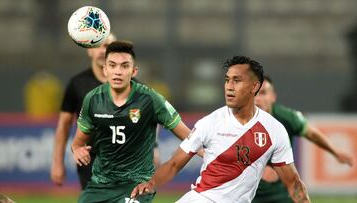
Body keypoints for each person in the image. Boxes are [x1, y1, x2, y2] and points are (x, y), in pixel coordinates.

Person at [131, 55, 310, 203]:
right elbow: (174, 164)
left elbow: (293, 183)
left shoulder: (274, 130)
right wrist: (151, 184)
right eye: (227, 80)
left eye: (237, 81)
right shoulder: (209, 123)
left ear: (254, 87)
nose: (229, 87)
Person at [71, 40, 191, 203]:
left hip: (137, 185)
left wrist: (212, 154)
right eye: (112, 65)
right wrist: (77, 150)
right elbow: (77, 143)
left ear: (134, 71)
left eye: (124, 66)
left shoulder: (150, 99)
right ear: (105, 70)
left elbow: (190, 137)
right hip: (100, 186)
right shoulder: (92, 99)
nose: (118, 71)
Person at [252, 75, 354, 203]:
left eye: (263, 93)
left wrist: (335, 151)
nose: (257, 99)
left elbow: (312, 134)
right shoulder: (236, 122)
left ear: (273, 96)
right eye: (254, 94)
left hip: (281, 195)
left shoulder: (286, 118)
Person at [50, 33, 117, 189]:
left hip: (124, 160)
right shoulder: (77, 84)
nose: (102, 50)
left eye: (107, 45)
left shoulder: (131, 85)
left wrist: (153, 149)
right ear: (89, 51)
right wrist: (57, 162)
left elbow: (148, 119)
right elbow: (64, 125)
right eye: (98, 45)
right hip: (89, 160)